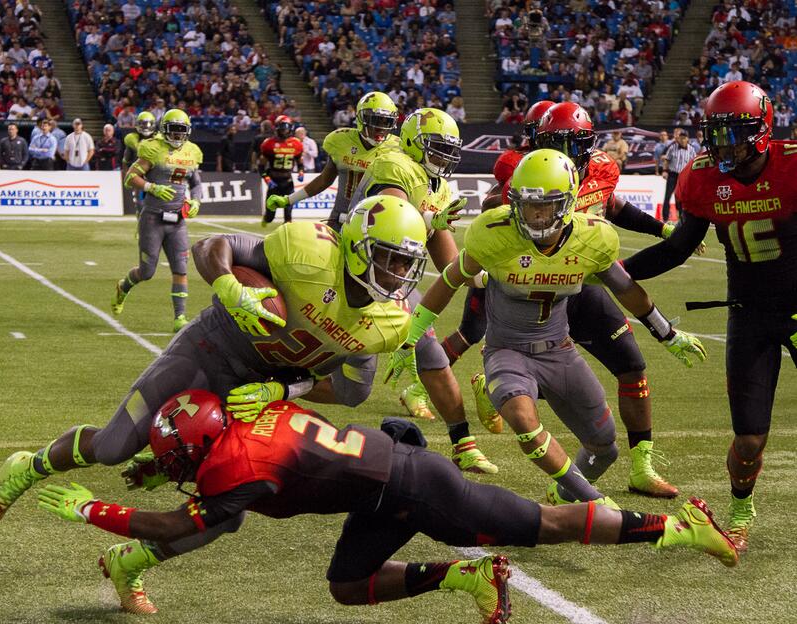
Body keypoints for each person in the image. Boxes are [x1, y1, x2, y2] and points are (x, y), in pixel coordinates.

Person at [0, 195, 432, 612]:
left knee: (225, 513)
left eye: (404, 264)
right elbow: (213, 247)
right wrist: (230, 285)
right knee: (115, 447)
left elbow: (353, 390)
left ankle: (128, 562)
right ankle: (27, 468)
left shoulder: (387, 320)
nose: (396, 275)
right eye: (388, 259)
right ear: (356, 245)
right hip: (212, 349)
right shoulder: (308, 250)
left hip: (258, 390)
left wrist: (288, 390)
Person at [36, 389, 738, 623]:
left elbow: (178, 523)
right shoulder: (252, 419)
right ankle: (463, 576)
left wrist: (90, 512)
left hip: (413, 484)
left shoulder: (236, 464)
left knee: (543, 525)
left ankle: (677, 529)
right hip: (383, 483)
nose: (171, 468)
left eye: (175, 458)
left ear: (199, 447)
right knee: (346, 585)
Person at [405, 150, 707, 506]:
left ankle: (564, 495)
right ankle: (592, 499)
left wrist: (666, 334)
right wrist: (411, 337)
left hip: (559, 350)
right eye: (527, 204)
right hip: (508, 350)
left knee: (604, 447)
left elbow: (626, 288)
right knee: (524, 420)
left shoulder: (592, 237)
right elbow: (451, 277)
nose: (535, 214)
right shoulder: (495, 232)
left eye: (546, 205)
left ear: (567, 204)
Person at [622, 81, 797, 552]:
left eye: (733, 134)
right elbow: (678, 248)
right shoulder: (702, 178)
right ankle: (741, 509)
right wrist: (616, 272)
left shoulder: (792, 165)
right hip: (750, 314)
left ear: (761, 131)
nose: (722, 145)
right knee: (749, 439)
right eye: (715, 135)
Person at [346, 107, 493, 474]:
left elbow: (449, 264)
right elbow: (391, 214)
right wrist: (429, 220)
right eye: (436, 147)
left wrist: (488, 274)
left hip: (394, 280)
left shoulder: (439, 188)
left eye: (449, 150)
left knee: (431, 355)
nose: (444, 157)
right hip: (356, 272)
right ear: (414, 142)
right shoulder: (394, 165)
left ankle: (463, 444)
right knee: (350, 387)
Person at [111, 109, 202, 331]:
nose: (179, 135)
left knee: (181, 269)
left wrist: (196, 202)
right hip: (153, 218)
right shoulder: (152, 148)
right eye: (174, 130)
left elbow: (196, 183)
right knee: (147, 271)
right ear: (164, 130)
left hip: (178, 221)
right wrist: (152, 187)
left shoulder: (191, 152)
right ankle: (124, 286)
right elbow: (130, 177)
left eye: (182, 131)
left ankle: (180, 318)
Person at [266, 91, 400, 230]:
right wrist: (289, 199)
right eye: (376, 121)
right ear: (361, 119)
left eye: (386, 122)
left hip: (376, 222)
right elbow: (324, 180)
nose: (381, 128)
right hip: (340, 219)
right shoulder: (341, 141)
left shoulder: (398, 148)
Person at [259, 115, 303, 228]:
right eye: (283, 128)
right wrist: (267, 180)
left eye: (287, 128)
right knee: (270, 216)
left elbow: (299, 161)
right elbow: (261, 166)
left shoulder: (296, 143)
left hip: (288, 181)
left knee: (288, 214)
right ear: (277, 128)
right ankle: (266, 218)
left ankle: (287, 232)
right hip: (274, 181)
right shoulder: (269, 143)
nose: (285, 131)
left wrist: (301, 171)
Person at [122, 112, 157, 216]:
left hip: (155, 174)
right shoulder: (132, 139)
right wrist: (126, 176)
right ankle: (142, 224)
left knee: (158, 204)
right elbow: (125, 161)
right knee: (139, 203)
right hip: (139, 175)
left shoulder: (159, 139)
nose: (146, 127)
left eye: (148, 124)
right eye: (143, 124)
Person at [660, 130, 697, 220]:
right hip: (673, 174)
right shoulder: (672, 147)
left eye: (684, 138)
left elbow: (694, 163)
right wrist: (665, 171)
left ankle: (681, 217)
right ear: (678, 138)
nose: (682, 140)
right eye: (681, 138)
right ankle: (665, 218)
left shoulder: (691, 149)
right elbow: (667, 160)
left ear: (687, 139)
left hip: (684, 176)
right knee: (667, 196)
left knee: (682, 197)